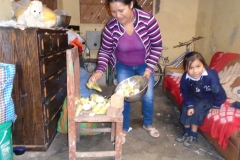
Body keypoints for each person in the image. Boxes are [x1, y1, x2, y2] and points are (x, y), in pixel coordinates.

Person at [88, 0, 162, 143]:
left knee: (148, 97)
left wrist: (149, 68)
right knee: (123, 97)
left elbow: (157, 46)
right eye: (113, 12)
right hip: (123, 65)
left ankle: (148, 124)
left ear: (131, 4)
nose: (118, 15)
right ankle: (124, 127)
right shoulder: (111, 27)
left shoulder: (148, 20)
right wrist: (99, 70)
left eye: (121, 10)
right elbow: (105, 50)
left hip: (145, 64)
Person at [176, 51, 227, 148]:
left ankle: (193, 135)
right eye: (191, 68)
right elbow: (186, 93)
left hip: (210, 97)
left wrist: (217, 104)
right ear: (186, 69)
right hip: (194, 95)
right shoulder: (185, 78)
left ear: (203, 65)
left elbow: (219, 91)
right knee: (186, 107)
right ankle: (186, 133)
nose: (195, 71)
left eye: (198, 66)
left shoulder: (211, 76)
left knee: (198, 109)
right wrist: (190, 105)